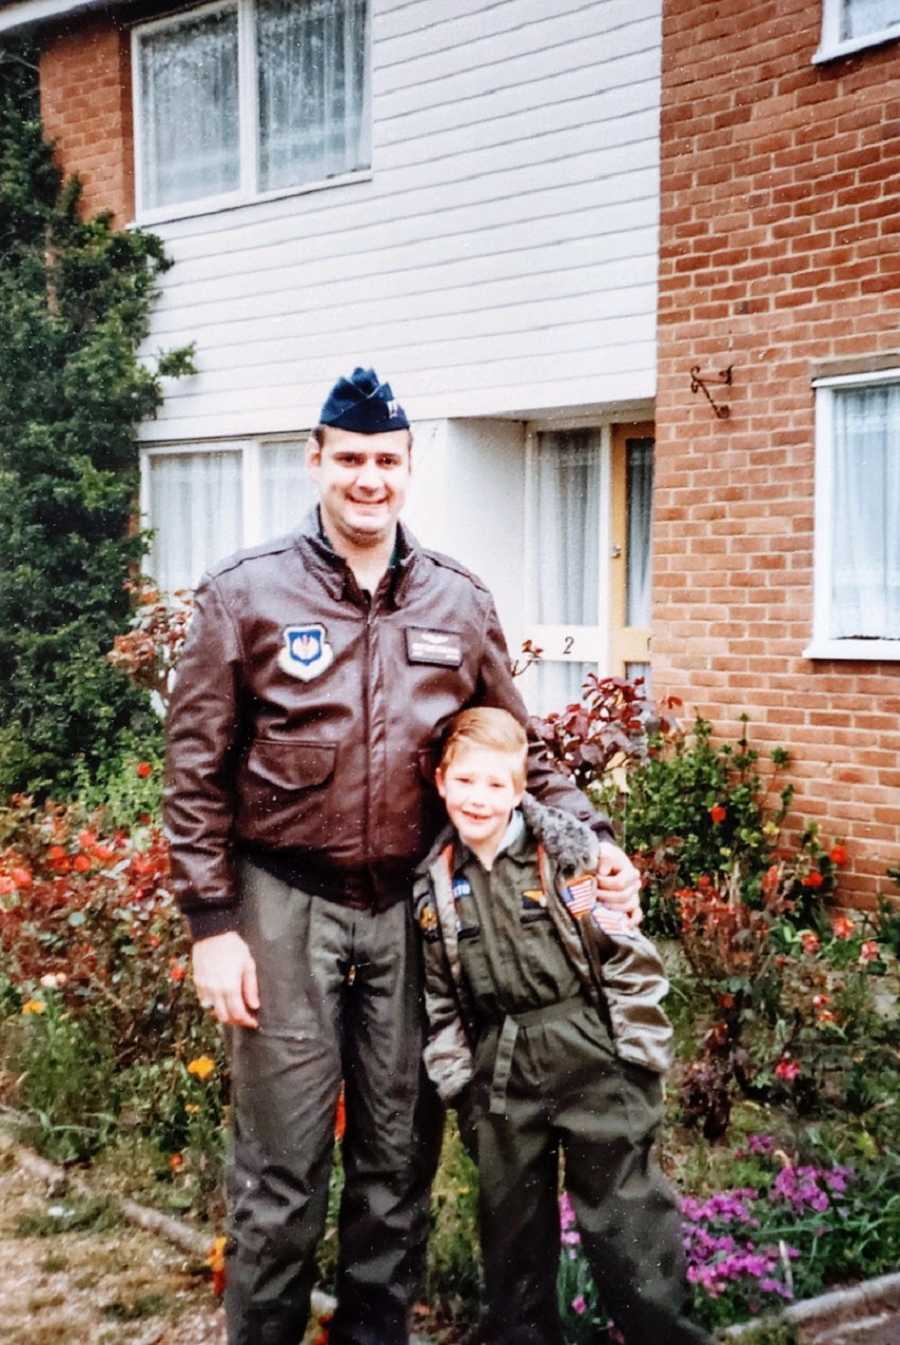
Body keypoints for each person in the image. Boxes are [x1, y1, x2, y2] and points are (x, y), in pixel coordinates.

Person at [164, 367, 643, 1345]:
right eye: (351, 459)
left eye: (387, 460)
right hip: (282, 903)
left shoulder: (458, 601)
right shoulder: (245, 593)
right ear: (317, 462)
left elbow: (524, 747)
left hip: (413, 915)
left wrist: (592, 845)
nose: (368, 478)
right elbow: (193, 768)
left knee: (397, 1162)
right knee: (282, 1170)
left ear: (410, 467)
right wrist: (212, 926)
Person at [414, 706, 713, 1345]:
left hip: (588, 1050)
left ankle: (661, 1333)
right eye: (465, 782)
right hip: (501, 1065)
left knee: (626, 1215)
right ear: (441, 782)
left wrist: (639, 1051)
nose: (479, 798)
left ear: (520, 790)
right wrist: (459, 1083)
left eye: (497, 784)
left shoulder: (565, 857)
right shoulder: (436, 884)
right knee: (511, 1228)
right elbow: (439, 996)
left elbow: (620, 949)